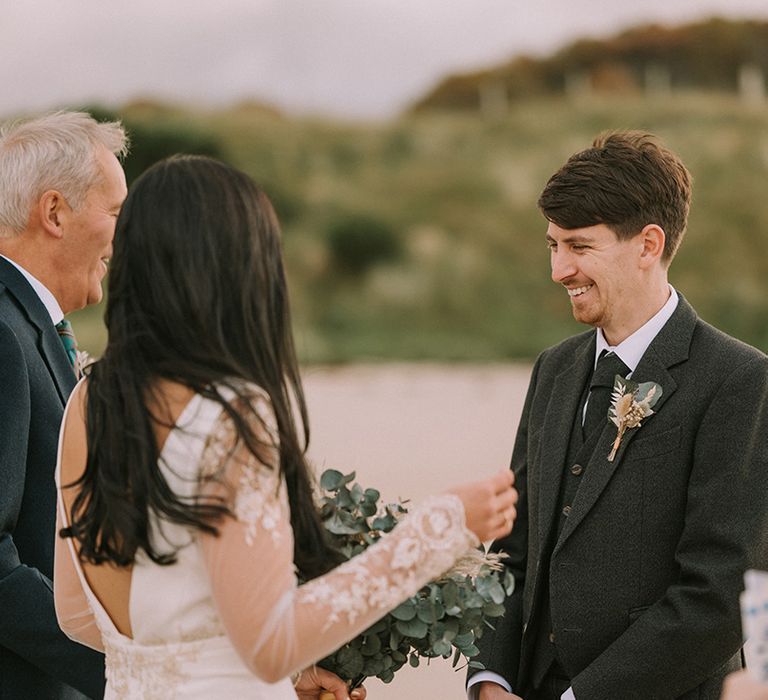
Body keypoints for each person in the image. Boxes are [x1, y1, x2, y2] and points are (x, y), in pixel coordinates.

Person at [53, 154, 519, 699]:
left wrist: (220, 663)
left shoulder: (90, 397)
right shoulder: (230, 414)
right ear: (239, 269)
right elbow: (270, 644)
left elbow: (75, 613)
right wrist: (437, 532)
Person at [467, 131, 768, 700]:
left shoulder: (739, 380)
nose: (559, 270)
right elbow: (514, 548)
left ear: (648, 244)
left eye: (579, 247)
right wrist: (491, 679)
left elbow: (718, 592)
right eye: (552, 246)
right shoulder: (553, 370)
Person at [0, 111, 128, 699]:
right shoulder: (2, 332)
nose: (122, 237)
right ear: (55, 213)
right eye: (116, 214)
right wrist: (127, 677)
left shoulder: (28, 326)